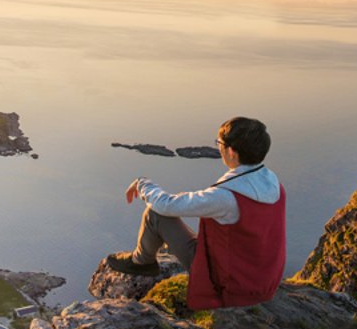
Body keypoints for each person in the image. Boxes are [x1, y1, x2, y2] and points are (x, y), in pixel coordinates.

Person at [105, 117, 285, 310]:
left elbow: (165, 205)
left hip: (231, 286)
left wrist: (143, 183)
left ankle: (141, 262)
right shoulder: (273, 183)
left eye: (219, 143)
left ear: (232, 152)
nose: (218, 148)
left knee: (156, 214)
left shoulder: (226, 197)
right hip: (263, 281)